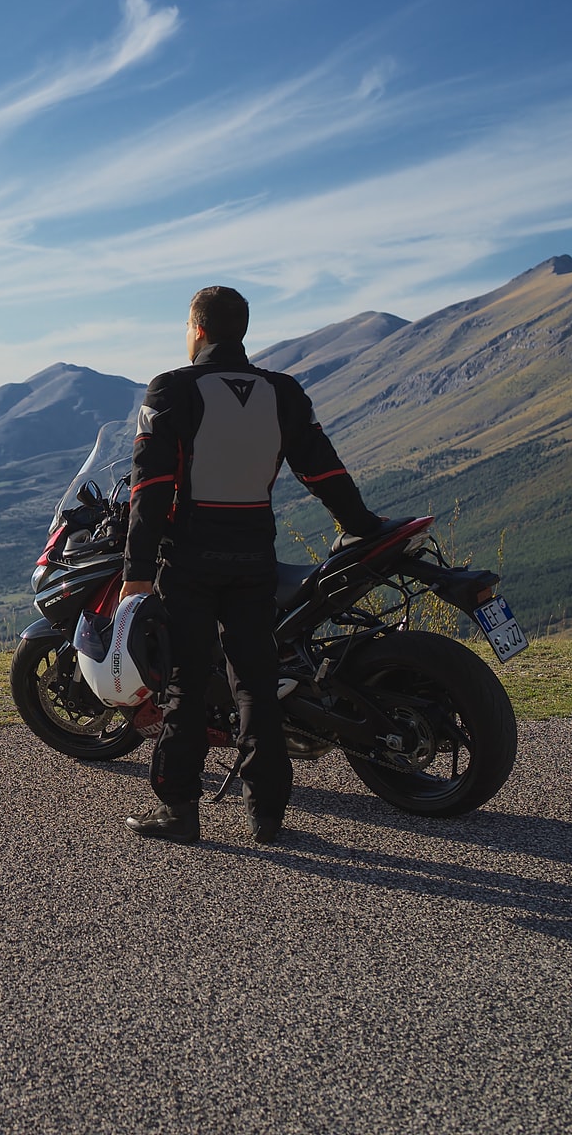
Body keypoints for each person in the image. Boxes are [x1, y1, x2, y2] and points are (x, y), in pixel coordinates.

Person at [119, 286, 381, 845]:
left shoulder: (172, 389)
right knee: (256, 683)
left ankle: (180, 812)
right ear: (241, 330)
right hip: (254, 558)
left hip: (188, 560)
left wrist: (135, 574)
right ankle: (266, 814)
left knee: (186, 684)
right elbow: (322, 471)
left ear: (198, 329)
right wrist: (362, 524)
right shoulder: (282, 391)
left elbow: (150, 489)